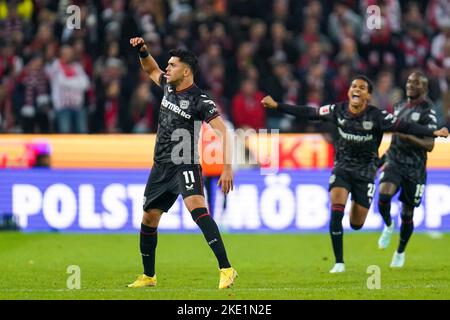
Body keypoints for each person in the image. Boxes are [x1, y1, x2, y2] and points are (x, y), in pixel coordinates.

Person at [261, 75, 449, 273]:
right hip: (342, 167)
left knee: (356, 223)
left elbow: (405, 126)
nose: (357, 89)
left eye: (362, 87)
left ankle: (369, 217)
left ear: (368, 95)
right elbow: (310, 112)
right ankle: (339, 262)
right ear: (349, 91)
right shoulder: (338, 110)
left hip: (366, 172)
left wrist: (433, 132)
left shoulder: (377, 116)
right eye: (353, 86)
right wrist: (277, 106)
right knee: (336, 208)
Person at [127, 37, 237, 289]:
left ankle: (226, 269)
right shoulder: (166, 85)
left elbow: (224, 132)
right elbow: (150, 69)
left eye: (172, 65)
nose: (167, 69)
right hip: (160, 165)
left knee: (197, 210)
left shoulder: (200, 100)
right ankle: (149, 276)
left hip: (185, 163)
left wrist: (227, 167)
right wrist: (143, 50)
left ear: (185, 70)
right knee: (149, 219)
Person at [376, 72, 438, 268]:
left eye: (416, 82)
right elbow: (394, 140)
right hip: (395, 161)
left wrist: (408, 137)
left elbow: (429, 145)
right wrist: (379, 162)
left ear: (424, 87)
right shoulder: (398, 107)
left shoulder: (428, 111)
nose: (410, 84)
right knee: (384, 194)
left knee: (407, 213)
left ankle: (400, 251)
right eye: (409, 81)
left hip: (415, 168)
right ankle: (388, 225)